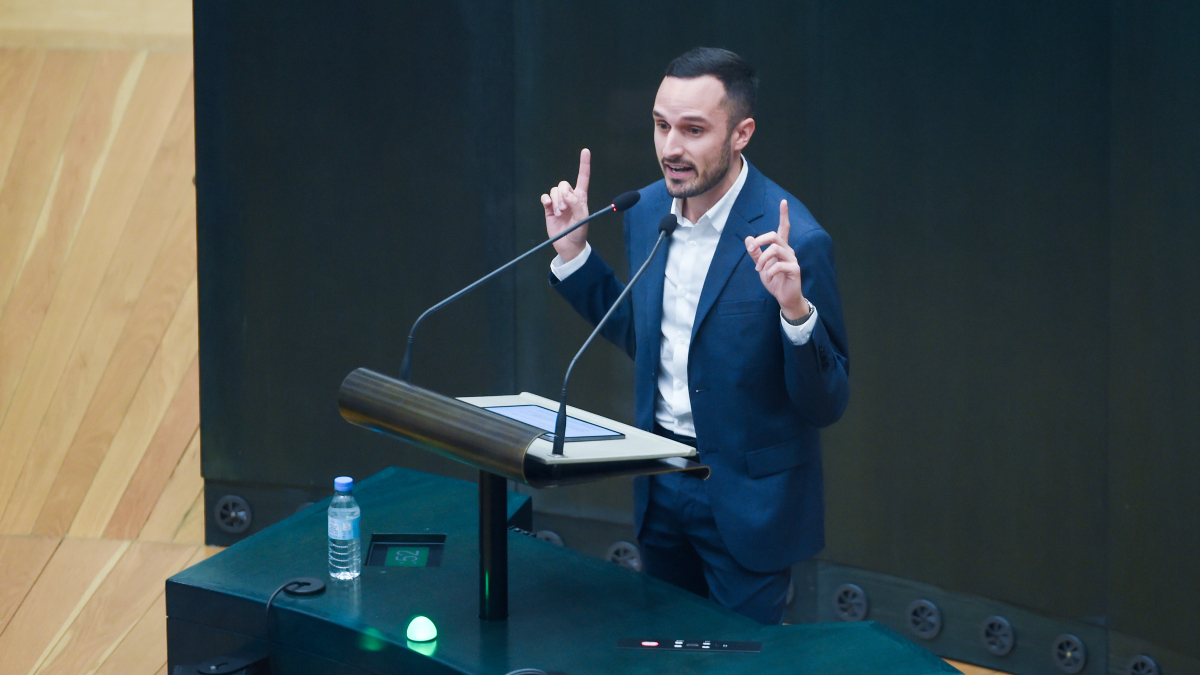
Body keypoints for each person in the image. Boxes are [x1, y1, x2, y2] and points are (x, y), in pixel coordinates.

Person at [541, 47, 849, 625]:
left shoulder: (796, 241)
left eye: (693, 129)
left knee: (740, 665)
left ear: (742, 133)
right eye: (661, 125)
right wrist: (575, 255)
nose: (670, 148)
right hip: (660, 485)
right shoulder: (647, 210)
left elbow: (827, 402)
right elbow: (648, 342)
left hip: (747, 503)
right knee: (663, 654)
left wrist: (794, 310)